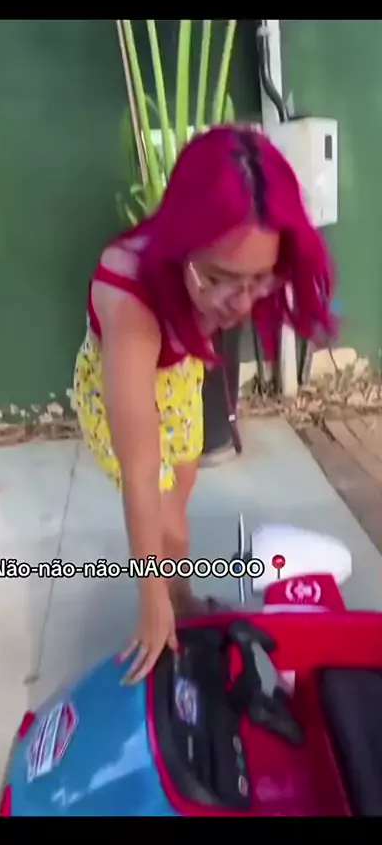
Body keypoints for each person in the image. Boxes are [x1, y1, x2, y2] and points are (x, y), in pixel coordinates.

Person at [73, 124, 336, 684]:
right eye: (220, 278)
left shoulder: (226, 278)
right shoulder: (129, 297)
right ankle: (175, 601)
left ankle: (181, 593)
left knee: (185, 478)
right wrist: (150, 604)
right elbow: (140, 471)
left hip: (178, 376)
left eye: (260, 279)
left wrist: (225, 290)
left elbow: (228, 293)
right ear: (182, 246)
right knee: (166, 513)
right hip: (121, 385)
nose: (240, 303)